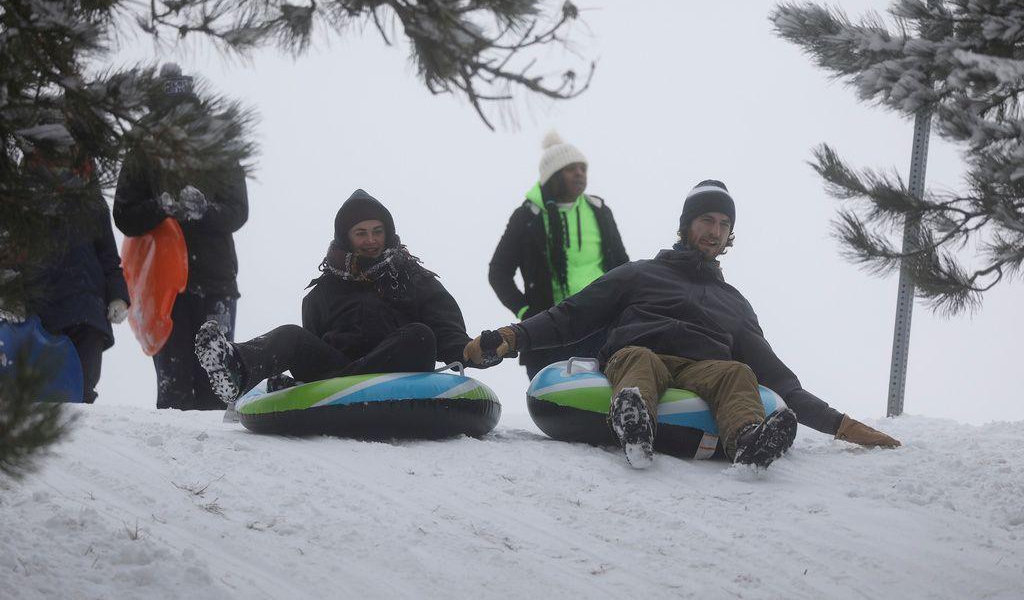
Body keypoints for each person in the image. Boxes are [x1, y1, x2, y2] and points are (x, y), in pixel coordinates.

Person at [466, 180, 901, 469]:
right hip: (639, 355)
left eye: (723, 224)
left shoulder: (734, 304)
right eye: (706, 221)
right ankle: (634, 422)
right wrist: (510, 338)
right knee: (638, 359)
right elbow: (571, 315)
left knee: (738, 372)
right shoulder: (641, 273)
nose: (714, 231)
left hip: (701, 370)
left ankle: (749, 442)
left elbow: (778, 379)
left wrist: (843, 426)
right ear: (686, 225)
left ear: (730, 235)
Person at [194, 189, 475, 404]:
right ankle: (235, 367)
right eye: (361, 233)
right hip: (335, 371)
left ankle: (328, 388)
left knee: (420, 336)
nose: (371, 240)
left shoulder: (413, 278)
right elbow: (313, 343)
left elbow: (448, 333)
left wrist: (476, 350)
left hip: (395, 372)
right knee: (290, 335)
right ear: (346, 237)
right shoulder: (322, 293)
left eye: (377, 232)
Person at [113, 63, 248, 410]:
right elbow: (124, 215)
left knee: (218, 381)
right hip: (163, 286)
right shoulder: (143, 151)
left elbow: (237, 211)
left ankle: (221, 461)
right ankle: (173, 462)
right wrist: (162, 207)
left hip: (214, 282)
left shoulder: (219, 147)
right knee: (173, 387)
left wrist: (204, 209)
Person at [488, 130, 628, 379]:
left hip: (602, 327)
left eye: (582, 168)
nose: (579, 173)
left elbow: (623, 268)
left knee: (603, 403)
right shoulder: (528, 217)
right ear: (552, 176)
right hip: (547, 331)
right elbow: (498, 272)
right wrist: (526, 314)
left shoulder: (599, 211)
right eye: (570, 168)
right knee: (555, 406)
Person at [30, 190, 130, 403]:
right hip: (40, 314)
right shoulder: (25, 194)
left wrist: (118, 296)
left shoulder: (92, 200)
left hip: (87, 313)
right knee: (41, 398)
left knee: (81, 394)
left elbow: (109, 257)